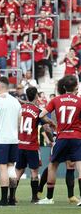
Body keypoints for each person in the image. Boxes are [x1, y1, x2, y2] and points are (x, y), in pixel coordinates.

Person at [37, 75, 81, 206]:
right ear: (76, 87)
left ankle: (49, 198)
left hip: (61, 137)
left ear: (63, 87)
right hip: (76, 137)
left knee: (52, 166)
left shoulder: (56, 100)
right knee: (79, 166)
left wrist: (51, 122)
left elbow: (41, 115)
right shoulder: (79, 101)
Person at [15, 87, 54, 203]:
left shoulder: (21, 108)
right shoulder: (37, 111)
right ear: (36, 96)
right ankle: (34, 197)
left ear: (27, 96)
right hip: (32, 145)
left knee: (18, 171)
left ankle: (11, 196)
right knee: (34, 172)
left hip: (20, 144)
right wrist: (52, 127)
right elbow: (46, 126)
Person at [0, 77, 22, 206]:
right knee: (11, 167)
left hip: (1, 139)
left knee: (2, 168)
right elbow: (19, 123)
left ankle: (3, 200)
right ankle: (12, 198)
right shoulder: (16, 102)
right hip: (14, 138)